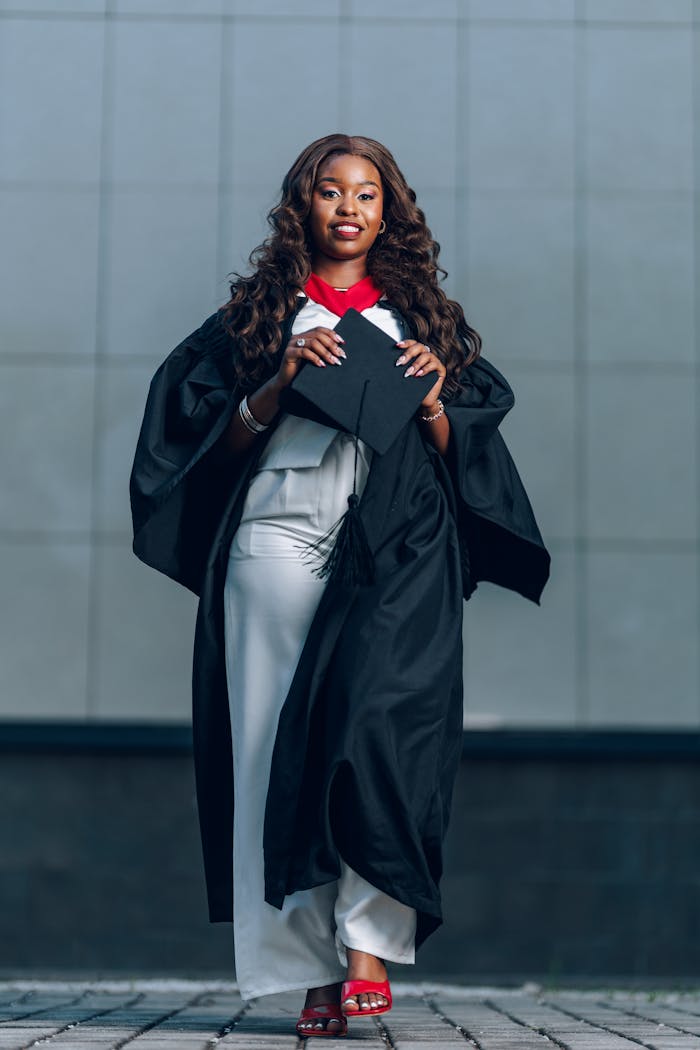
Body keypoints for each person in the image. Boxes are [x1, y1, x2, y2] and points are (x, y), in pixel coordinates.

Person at [129, 133, 551, 1037]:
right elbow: (197, 451)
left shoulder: (422, 319)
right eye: (330, 190)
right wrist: (279, 383)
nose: (349, 206)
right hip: (275, 537)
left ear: (389, 211)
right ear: (303, 207)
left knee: (378, 724)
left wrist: (437, 403)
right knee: (267, 751)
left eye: (368, 193)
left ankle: (366, 941)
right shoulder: (253, 319)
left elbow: (469, 456)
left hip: (389, 547)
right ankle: (311, 977)